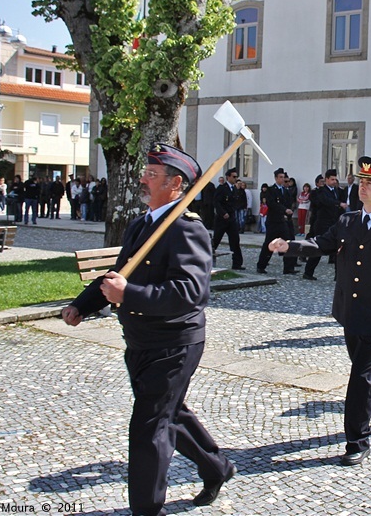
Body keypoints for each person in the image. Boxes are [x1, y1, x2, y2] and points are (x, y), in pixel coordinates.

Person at [60, 144, 235, 515]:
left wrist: (130, 294)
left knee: (148, 428)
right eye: (146, 172)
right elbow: (118, 275)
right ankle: (217, 467)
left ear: (176, 184)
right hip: (140, 341)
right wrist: (82, 304)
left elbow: (191, 293)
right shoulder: (142, 224)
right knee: (172, 414)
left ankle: (146, 509)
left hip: (174, 343)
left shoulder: (187, 229)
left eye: (152, 175)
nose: (143, 178)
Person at [268, 156, 371, 466]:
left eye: (370, 183)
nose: (363, 187)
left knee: (359, 376)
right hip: (350, 310)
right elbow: (321, 244)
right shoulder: (348, 221)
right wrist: (289, 246)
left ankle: (356, 439)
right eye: (361, 182)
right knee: (366, 369)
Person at [303, 169, 347, 280]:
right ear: (326, 179)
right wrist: (338, 204)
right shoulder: (321, 191)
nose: (334, 181)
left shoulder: (337, 191)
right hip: (322, 224)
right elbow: (326, 201)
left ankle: (339, 275)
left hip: (335, 223)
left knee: (339, 250)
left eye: (335, 179)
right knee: (318, 249)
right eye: (331, 179)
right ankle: (308, 272)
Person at [257, 168, 298, 275]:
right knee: (269, 244)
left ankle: (288, 268)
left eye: (283, 177)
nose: (282, 179)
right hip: (273, 222)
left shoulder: (286, 191)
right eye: (280, 177)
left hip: (283, 221)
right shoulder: (271, 190)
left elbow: (290, 203)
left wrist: (288, 212)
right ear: (276, 178)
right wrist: (284, 210)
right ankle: (261, 266)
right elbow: (272, 204)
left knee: (288, 243)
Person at [213, 168, 245, 270]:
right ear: (228, 177)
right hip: (222, 219)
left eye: (236, 177)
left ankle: (237, 264)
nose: (235, 179)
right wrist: (223, 213)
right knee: (216, 240)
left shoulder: (235, 189)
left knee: (235, 240)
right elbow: (216, 202)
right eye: (234, 177)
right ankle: (206, 260)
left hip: (231, 219)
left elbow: (236, 202)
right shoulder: (222, 188)